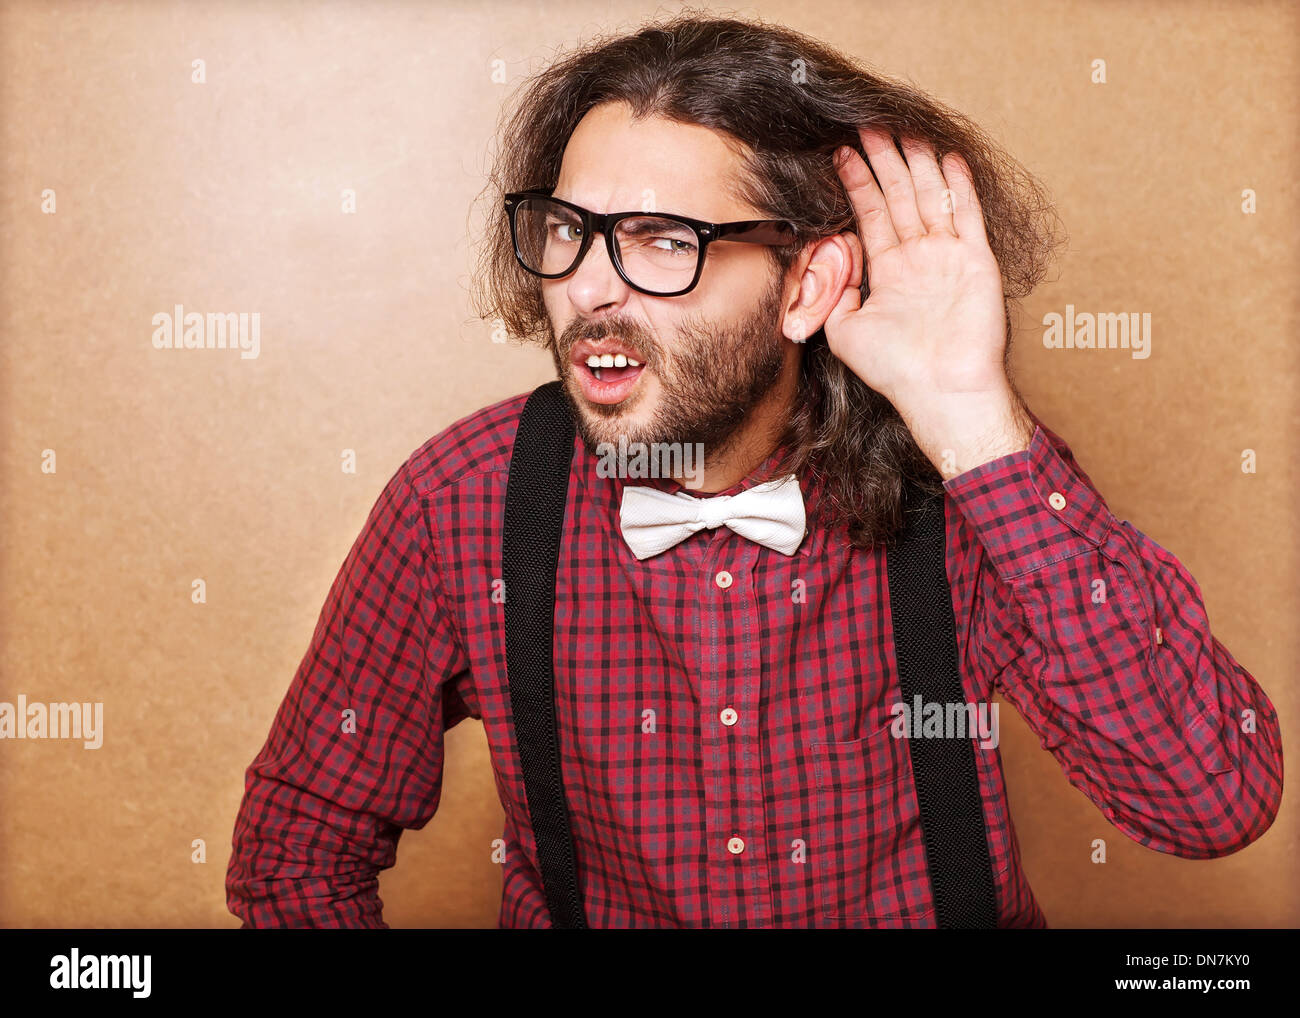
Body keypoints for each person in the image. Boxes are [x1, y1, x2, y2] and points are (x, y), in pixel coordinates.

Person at [226, 13, 1282, 928]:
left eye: (660, 239)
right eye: (571, 232)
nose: (593, 290)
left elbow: (1210, 802)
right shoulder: (460, 502)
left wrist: (971, 414)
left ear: (807, 283)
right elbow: (295, 848)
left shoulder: (965, 487)